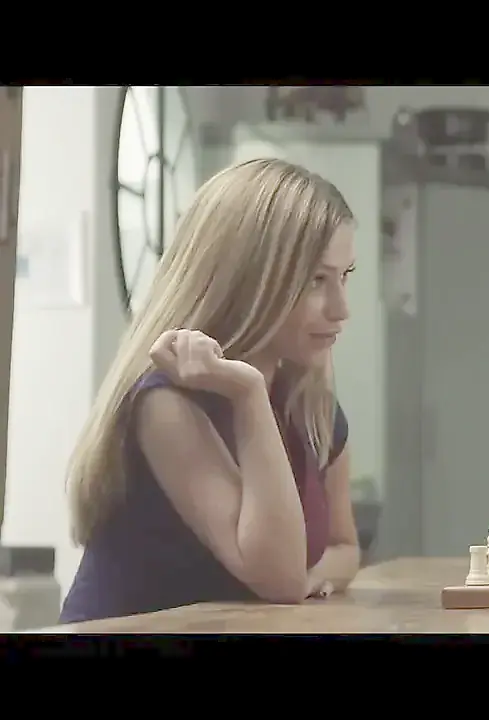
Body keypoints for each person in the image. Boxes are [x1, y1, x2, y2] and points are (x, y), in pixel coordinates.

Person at [58, 158, 361, 624]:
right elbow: (278, 578)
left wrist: (318, 575)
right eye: (316, 281)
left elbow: (344, 547)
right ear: (246, 280)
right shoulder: (166, 404)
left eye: (345, 276)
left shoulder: (309, 404)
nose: (341, 309)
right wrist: (249, 393)